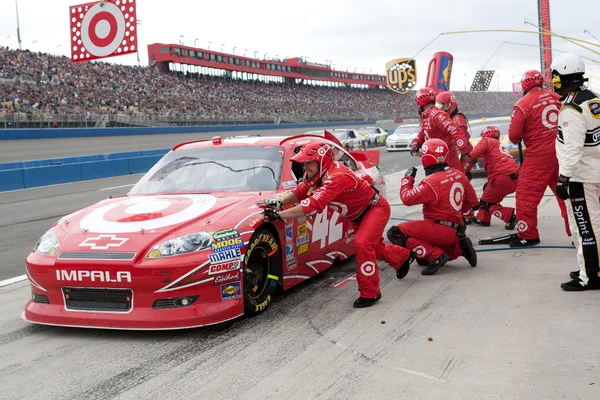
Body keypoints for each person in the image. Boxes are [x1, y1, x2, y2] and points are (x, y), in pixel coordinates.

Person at [259, 141, 416, 308]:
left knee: (362, 245)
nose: (305, 168)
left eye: (308, 163)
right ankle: (404, 257)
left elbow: (311, 205)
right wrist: (277, 203)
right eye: (303, 164)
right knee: (373, 248)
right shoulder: (314, 175)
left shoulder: (336, 177)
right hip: (356, 216)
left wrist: (278, 215)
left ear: (321, 161)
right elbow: (300, 192)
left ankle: (370, 293)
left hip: (375, 209)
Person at [387, 139, 478, 276]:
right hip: (457, 229)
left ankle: (437, 256)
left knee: (394, 233)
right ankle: (459, 248)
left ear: (426, 157)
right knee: (421, 259)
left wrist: (407, 179)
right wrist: (460, 221)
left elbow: (407, 198)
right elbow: (472, 203)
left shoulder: (431, 182)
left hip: (439, 229)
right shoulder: (459, 174)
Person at [551, 53, 600, 291]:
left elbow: (572, 148)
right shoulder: (593, 99)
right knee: (594, 224)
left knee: (586, 227)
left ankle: (590, 275)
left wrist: (563, 179)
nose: (554, 82)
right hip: (595, 171)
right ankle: (591, 265)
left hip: (581, 176)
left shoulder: (572, 108)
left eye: (556, 77)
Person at [508, 69, 571, 247]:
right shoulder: (558, 98)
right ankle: (577, 232)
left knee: (526, 195)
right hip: (562, 152)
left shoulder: (522, 104)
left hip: (539, 156)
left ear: (525, 84)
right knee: (566, 194)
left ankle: (528, 234)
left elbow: (513, 136)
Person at [463, 126, 519, 229]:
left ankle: (509, 216)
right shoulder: (499, 146)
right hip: (514, 178)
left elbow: (473, 155)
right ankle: (483, 219)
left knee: (485, 204)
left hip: (501, 178)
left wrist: (464, 170)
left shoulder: (487, 141)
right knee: (487, 188)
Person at [410, 87, 462, 170]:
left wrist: (464, 150)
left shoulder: (436, 114)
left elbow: (455, 130)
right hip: (435, 159)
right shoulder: (427, 115)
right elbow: (424, 131)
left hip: (445, 160)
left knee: (452, 180)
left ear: (420, 101)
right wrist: (416, 142)